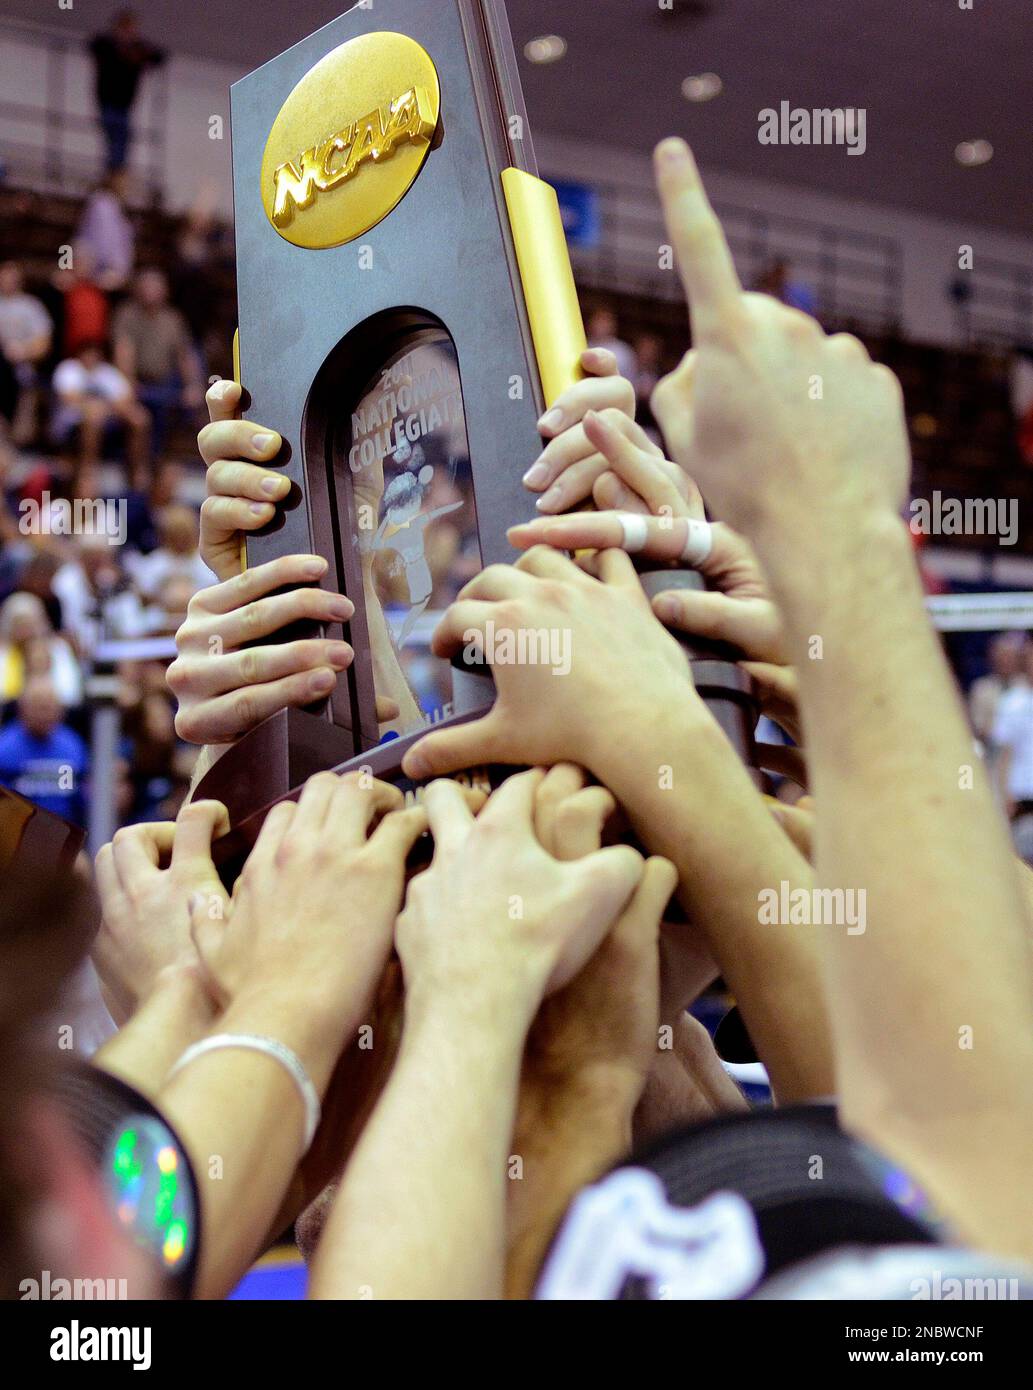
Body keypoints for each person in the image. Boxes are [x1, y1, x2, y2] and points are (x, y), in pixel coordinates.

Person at [112, 269, 204, 461]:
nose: (151, 291)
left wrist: (193, 385)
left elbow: (185, 355)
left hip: (165, 386)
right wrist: (128, 382)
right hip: (136, 385)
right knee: (139, 419)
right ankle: (137, 474)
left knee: (192, 409)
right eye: (147, 286)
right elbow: (123, 352)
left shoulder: (173, 319)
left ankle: (167, 471)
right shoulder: (127, 315)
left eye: (156, 287)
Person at [52, 339, 151, 494]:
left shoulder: (106, 372)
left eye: (95, 352)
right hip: (70, 424)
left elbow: (126, 398)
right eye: (88, 352)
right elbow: (69, 398)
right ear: (80, 354)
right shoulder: (69, 368)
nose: (91, 356)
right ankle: (88, 472)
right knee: (93, 417)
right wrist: (99, 406)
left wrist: (104, 407)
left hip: (106, 420)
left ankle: (136, 470)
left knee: (139, 418)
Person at [0, 676, 87, 824]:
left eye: (49, 707)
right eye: (38, 707)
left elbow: (82, 798)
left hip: (65, 830)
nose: (44, 714)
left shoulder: (72, 745)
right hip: (18, 831)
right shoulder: (5, 748)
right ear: (22, 709)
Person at [88, 9, 166, 174]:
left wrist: (137, 54)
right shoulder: (108, 44)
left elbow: (160, 57)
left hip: (125, 103)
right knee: (115, 135)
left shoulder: (137, 48)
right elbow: (94, 45)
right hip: (108, 100)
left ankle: (116, 170)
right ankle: (114, 170)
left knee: (122, 138)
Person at [0, 261, 52, 446]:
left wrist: (22, 351)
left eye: (11, 277)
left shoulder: (31, 306)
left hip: (20, 369)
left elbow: (44, 344)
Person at [0, 592, 83, 709]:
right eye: (19, 624)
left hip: (54, 716)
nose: (24, 631)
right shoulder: (3, 653)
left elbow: (71, 694)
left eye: (28, 624)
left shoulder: (58, 649)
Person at [76, 172, 135, 293]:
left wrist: (120, 272)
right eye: (124, 182)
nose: (127, 187)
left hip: (107, 271)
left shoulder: (118, 209)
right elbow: (102, 241)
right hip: (95, 262)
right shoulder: (102, 203)